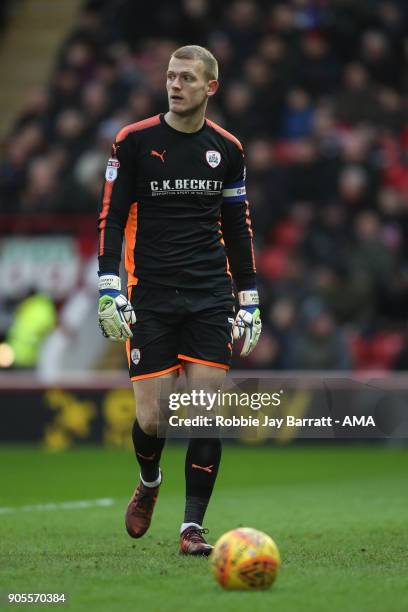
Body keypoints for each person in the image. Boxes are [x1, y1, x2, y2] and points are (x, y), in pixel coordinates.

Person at [97, 45, 261, 555]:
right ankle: (149, 481)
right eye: (170, 76)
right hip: (150, 294)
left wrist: (249, 296)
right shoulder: (134, 142)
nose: (175, 85)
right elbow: (112, 216)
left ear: (210, 87)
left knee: (207, 414)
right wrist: (108, 285)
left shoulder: (228, 149)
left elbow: (238, 226)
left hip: (211, 294)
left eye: (187, 78)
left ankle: (192, 528)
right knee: (153, 419)